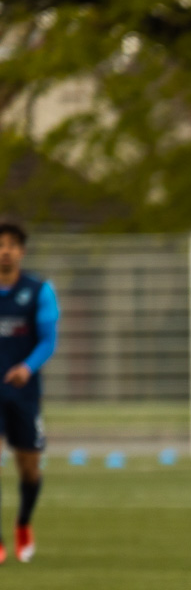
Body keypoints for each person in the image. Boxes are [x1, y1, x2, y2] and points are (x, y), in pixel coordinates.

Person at [0, 221, 59, 564]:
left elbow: (49, 340)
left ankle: (23, 522)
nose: (4, 251)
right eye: (0, 244)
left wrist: (27, 367)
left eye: (11, 245)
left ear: (21, 251)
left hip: (23, 392)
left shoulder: (39, 291)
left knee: (30, 469)